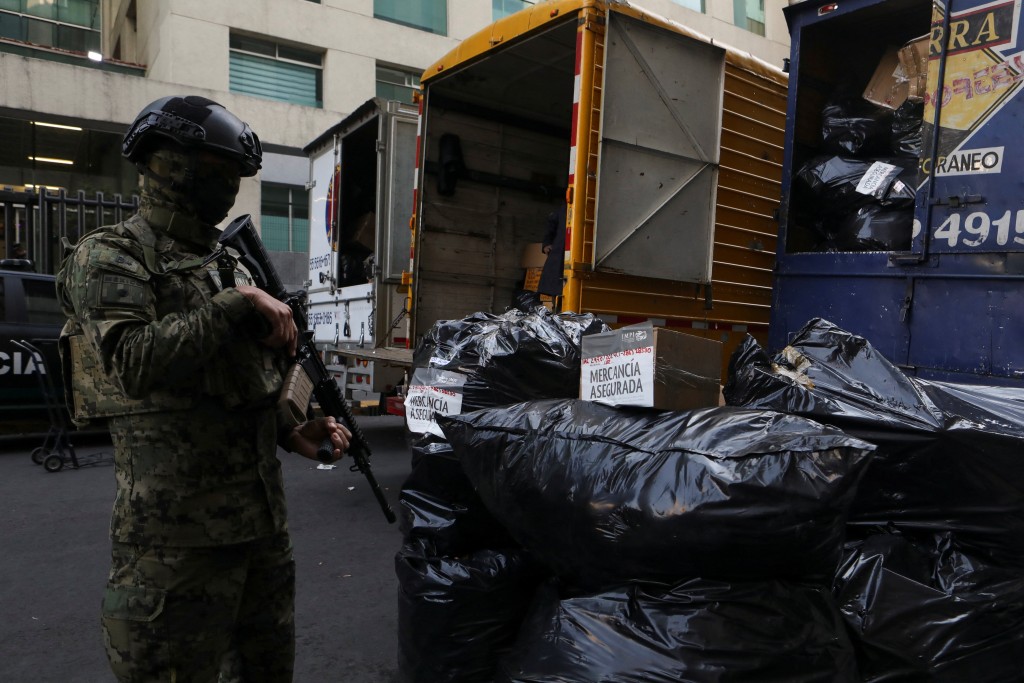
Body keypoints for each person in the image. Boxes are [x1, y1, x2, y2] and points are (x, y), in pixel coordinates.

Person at [55, 95, 351, 683]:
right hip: (175, 543)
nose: (228, 188)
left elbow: (244, 382)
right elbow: (136, 363)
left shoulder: (228, 263)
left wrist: (292, 432)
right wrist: (236, 303)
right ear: (172, 165)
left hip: (262, 531)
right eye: (219, 172)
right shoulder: (113, 255)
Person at [538, 208, 566, 301]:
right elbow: (550, 228)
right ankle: (556, 308)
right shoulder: (562, 211)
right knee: (557, 286)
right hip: (559, 251)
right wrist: (546, 244)